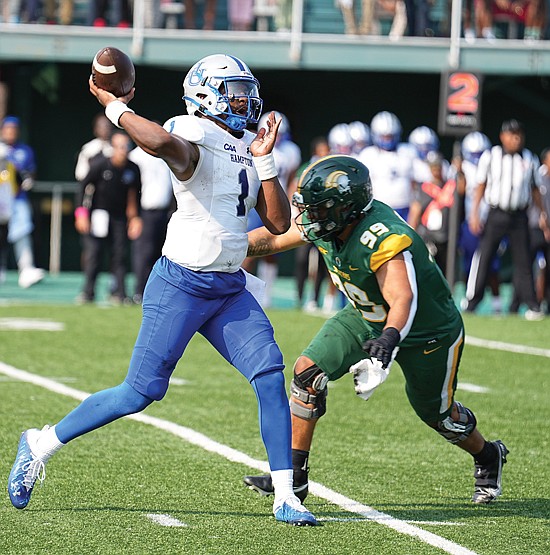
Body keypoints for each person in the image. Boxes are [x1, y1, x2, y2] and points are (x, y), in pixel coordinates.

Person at [7, 54, 317, 527]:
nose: (245, 100)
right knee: (139, 392)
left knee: (270, 376)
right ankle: (41, 442)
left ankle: (285, 496)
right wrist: (115, 106)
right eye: (233, 92)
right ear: (206, 96)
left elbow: (276, 222)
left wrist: (266, 160)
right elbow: (158, 142)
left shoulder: (242, 147)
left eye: (244, 91)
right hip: (182, 284)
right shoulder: (192, 131)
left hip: (229, 288)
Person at [242, 154, 509, 506]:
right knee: (307, 373)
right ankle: (294, 478)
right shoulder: (328, 223)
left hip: (426, 332)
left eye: (319, 209)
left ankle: (488, 454)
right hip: (367, 316)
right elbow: (274, 240)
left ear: (345, 210)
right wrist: (222, 248)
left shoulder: (381, 236)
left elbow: (403, 297)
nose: (309, 216)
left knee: (438, 416)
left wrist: (390, 337)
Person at [465, 119, 548, 320]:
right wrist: (475, 213)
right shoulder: (491, 156)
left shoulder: (529, 158)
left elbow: (535, 190)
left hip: (519, 215)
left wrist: (543, 214)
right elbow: (481, 186)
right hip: (496, 213)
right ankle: (472, 303)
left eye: (519, 134)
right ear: (503, 136)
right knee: (485, 257)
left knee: (523, 262)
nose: (516, 139)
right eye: (512, 134)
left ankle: (532, 306)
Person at [242, 111, 301, 308]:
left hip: (277, 202)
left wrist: (292, 203)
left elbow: (292, 179)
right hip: (255, 201)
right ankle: (243, 294)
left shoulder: (291, 150)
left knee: (272, 250)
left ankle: (266, 296)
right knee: (247, 246)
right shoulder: (252, 143)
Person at [74, 130, 142, 304]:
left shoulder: (133, 169)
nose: (123, 150)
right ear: (112, 148)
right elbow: (83, 187)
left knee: (119, 254)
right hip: (98, 214)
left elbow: (135, 195)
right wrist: (81, 214)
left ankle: (119, 293)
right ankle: (88, 293)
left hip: (119, 217)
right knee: (94, 254)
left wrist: (135, 218)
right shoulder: (100, 165)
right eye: (119, 146)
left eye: (126, 146)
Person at [458, 131, 503, 314]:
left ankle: (496, 303)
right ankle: (470, 297)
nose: (476, 158)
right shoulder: (463, 168)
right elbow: (460, 192)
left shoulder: (495, 165)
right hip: (471, 221)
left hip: (491, 219)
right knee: (470, 263)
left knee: (492, 264)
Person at [1, 116, 45, 289]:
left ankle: (26, 269)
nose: (10, 132)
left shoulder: (25, 150)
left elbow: (30, 173)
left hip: (18, 199)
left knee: (22, 232)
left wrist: (27, 180)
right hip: (1, 199)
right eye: (8, 129)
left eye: (14, 129)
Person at [128, 144, 173, 304]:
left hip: (165, 211)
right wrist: (135, 216)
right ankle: (140, 291)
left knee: (162, 253)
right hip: (145, 211)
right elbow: (131, 190)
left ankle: (156, 292)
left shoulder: (167, 154)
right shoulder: (136, 156)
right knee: (144, 253)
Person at [408, 150, 464, 276]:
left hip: (447, 236)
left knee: (448, 272)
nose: (436, 170)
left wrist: (460, 171)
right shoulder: (423, 188)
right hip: (428, 237)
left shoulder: (450, 186)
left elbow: (461, 189)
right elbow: (415, 212)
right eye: (433, 166)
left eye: (438, 166)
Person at [358, 111, 415, 221]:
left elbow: (416, 182)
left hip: (405, 208)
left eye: (390, 136)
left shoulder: (408, 151)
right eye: (384, 136)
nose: (387, 140)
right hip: (378, 209)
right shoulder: (368, 154)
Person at [74, 114, 114, 182]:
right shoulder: (88, 148)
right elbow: (80, 174)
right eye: (101, 126)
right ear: (95, 129)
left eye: (107, 126)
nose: (105, 129)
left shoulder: (116, 148)